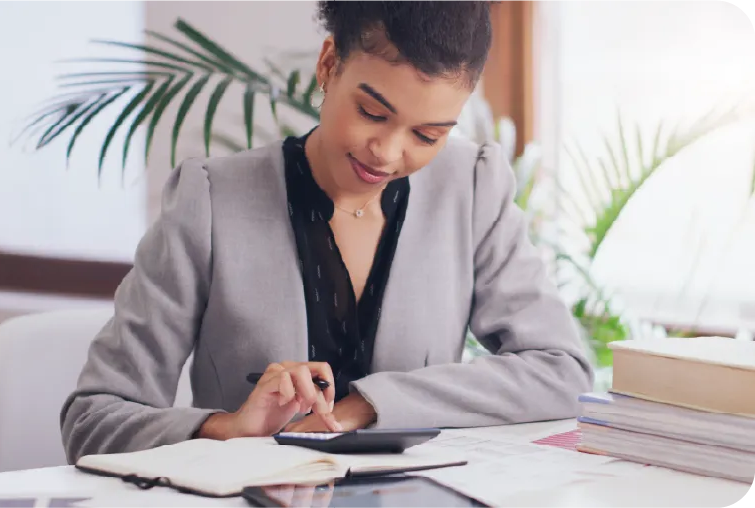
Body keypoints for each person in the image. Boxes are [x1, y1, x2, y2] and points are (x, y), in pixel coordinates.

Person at [60, 0, 594, 463]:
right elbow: (92, 420)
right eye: (370, 112)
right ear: (328, 63)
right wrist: (224, 428)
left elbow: (561, 371)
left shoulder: (472, 189)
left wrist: (369, 404)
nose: (386, 153)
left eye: (427, 135)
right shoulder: (211, 200)